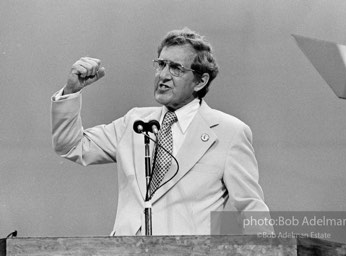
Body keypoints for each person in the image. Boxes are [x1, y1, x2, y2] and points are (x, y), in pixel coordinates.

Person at [51, 27, 271, 236]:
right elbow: (71, 146)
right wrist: (72, 91)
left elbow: (251, 207)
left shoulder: (229, 132)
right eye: (161, 65)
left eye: (176, 68)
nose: (163, 75)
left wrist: (268, 250)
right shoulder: (134, 122)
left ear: (200, 81)